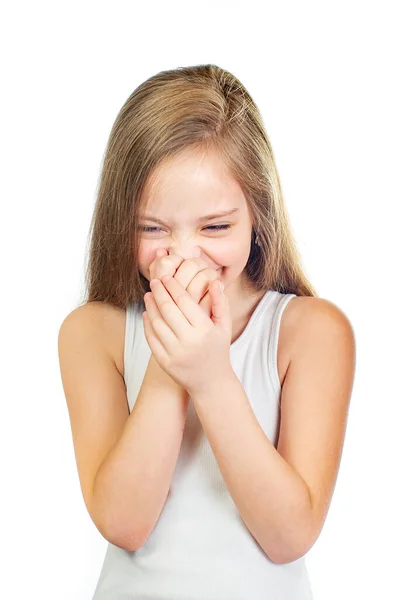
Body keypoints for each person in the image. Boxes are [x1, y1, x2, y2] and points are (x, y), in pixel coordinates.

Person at [58, 64, 356, 599]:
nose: (185, 254)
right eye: (153, 228)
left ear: (257, 216)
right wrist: (173, 365)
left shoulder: (310, 332)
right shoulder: (92, 333)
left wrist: (212, 377)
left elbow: (290, 535)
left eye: (215, 226)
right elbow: (125, 522)